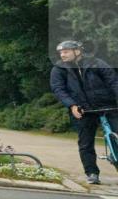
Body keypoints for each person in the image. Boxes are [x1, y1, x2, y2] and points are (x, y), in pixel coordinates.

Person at [50, 40, 118, 185]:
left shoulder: (96, 63)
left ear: (77, 51)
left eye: (66, 51)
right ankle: (92, 173)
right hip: (82, 109)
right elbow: (59, 89)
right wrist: (72, 105)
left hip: (108, 105)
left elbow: (113, 81)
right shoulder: (59, 69)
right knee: (86, 142)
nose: (62, 55)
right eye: (61, 52)